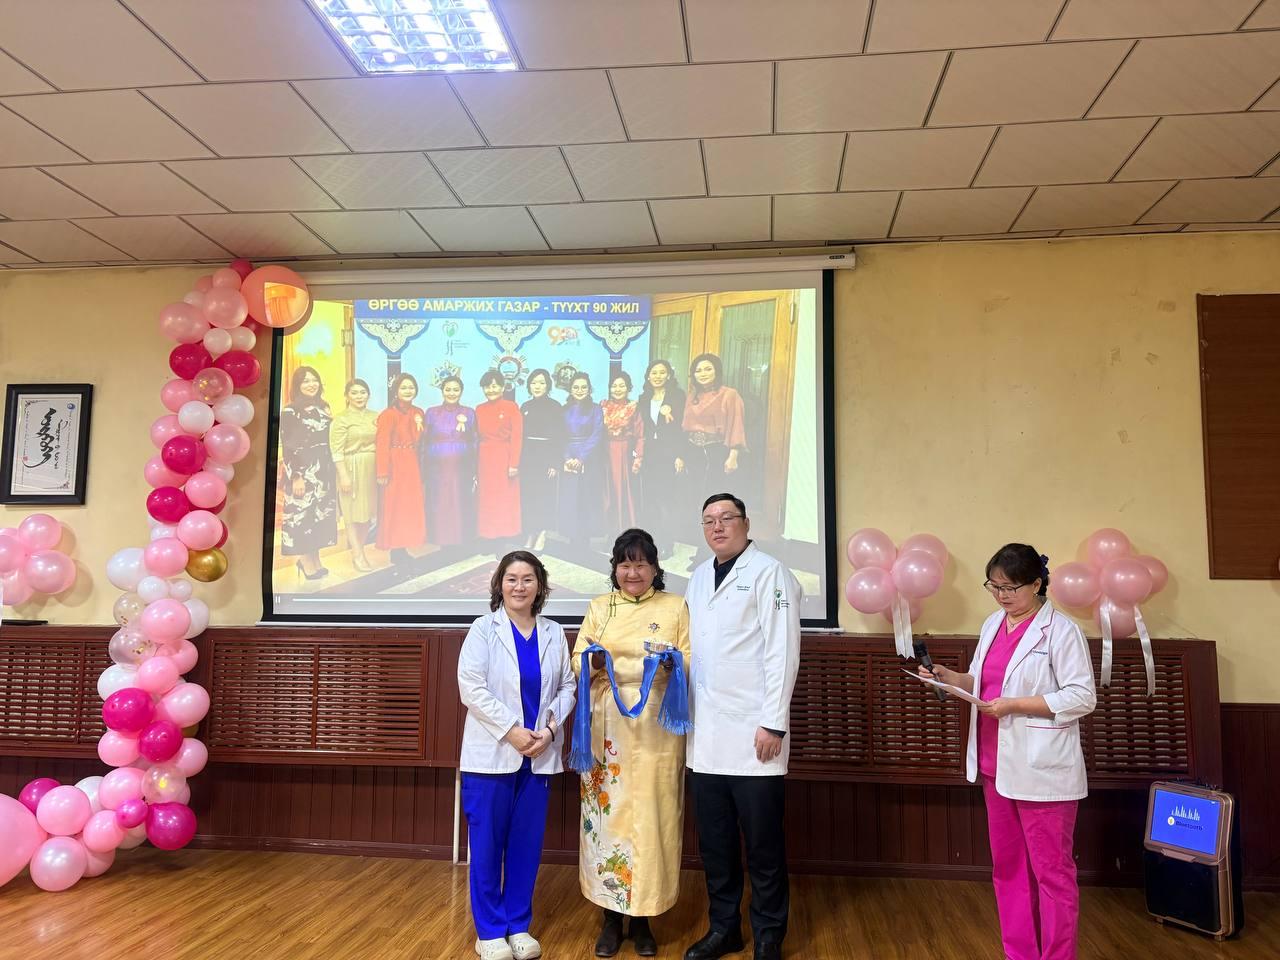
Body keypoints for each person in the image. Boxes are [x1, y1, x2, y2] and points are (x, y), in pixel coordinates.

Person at [919, 544, 1096, 960]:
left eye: (1010, 588)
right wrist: (950, 678)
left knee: (1052, 873)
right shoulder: (992, 624)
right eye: (994, 586)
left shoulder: (1061, 631)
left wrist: (1015, 705)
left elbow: (1081, 696)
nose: (1001, 596)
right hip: (995, 766)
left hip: (1043, 770)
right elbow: (982, 681)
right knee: (1009, 870)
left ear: (1036, 584)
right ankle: (1020, 954)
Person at [683, 494, 801, 960]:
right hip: (706, 736)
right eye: (708, 520)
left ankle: (769, 934)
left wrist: (773, 722)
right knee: (716, 845)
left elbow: (782, 651)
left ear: (746, 523)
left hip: (756, 735)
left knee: (764, 846)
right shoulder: (697, 577)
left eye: (726, 518)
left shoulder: (771, 573)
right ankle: (724, 928)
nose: (717, 526)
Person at [571, 529, 691, 958]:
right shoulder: (599, 607)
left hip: (657, 724)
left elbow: (690, 658)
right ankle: (609, 918)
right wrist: (592, 660)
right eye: (625, 563)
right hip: (608, 725)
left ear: (655, 568)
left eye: (641, 563)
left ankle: (643, 920)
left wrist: (671, 663)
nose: (633, 572)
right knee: (609, 818)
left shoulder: (675, 606)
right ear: (615, 569)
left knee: (654, 816)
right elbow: (577, 657)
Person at [458, 551, 576, 960]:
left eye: (528, 579)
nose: (519, 586)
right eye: (511, 579)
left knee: (526, 846)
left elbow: (568, 687)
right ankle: (490, 932)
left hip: (538, 755)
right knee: (487, 846)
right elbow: (471, 687)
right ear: (499, 584)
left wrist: (550, 731)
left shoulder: (553, 633)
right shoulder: (483, 629)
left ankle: (518, 926)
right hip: (492, 755)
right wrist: (511, 731)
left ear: (540, 586)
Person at [280, 365, 337, 580]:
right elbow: (289, 447)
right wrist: (297, 476)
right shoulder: (290, 412)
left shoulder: (324, 408)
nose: (311, 384)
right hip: (303, 471)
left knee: (319, 517)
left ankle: (315, 558)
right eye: (305, 381)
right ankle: (305, 561)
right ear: (297, 385)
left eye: (314, 380)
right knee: (301, 517)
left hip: (324, 470)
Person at [637, 359, 688, 559]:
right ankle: (651, 541)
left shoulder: (677, 397)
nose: (657, 376)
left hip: (669, 453)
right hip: (649, 453)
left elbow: (683, 428)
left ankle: (667, 542)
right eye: (654, 372)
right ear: (648, 376)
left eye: (661, 372)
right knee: (650, 499)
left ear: (668, 375)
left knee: (666, 499)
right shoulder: (643, 398)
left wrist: (680, 455)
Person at [375, 372, 427, 565]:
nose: (408, 391)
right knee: (395, 506)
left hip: (412, 462)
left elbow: (422, 440)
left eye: (411, 387)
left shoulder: (418, 412)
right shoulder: (388, 414)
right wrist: (382, 471)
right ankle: (395, 549)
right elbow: (382, 444)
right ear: (396, 391)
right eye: (403, 387)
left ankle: (405, 545)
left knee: (409, 506)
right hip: (395, 463)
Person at [681, 354, 746, 508]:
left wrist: (733, 456)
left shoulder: (730, 394)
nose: (703, 373)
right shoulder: (692, 396)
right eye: (698, 370)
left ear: (717, 371)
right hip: (692, 451)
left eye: (708, 369)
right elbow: (684, 428)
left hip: (716, 452)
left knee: (713, 496)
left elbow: (736, 425)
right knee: (691, 495)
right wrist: (682, 455)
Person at [423, 374, 476, 554]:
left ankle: (461, 540)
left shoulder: (469, 413)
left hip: (461, 466)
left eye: (456, 390)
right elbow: (425, 440)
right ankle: (441, 539)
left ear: (461, 391)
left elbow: (474, 440)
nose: (451, 393)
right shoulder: (431, 412)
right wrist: (426, 465)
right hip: (437, 467)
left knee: (460, 500)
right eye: (448, 389)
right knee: (440, 502)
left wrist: (473, 466)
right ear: (442, 391)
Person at [328, 378, 378, 572]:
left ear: (368, 395)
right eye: (354, 392)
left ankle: (359, 549)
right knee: (351, 514)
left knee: (367, 515)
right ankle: (357, 554)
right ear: (347, 396)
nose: (359, 396)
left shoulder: (375, 416)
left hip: (371, 469)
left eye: (363, 392)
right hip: (350, 468)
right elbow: (336, 450)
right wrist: (343, 475)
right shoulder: (341, 419)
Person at [476, 370, 523, 551]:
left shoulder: (511, 407)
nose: (491, 389)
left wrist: (514, 463)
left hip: (504, 456)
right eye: (487, 386)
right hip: (484, 458)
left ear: (503, 387)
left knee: (503, 499)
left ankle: (501, 541)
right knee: (486, 499)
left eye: (495, 386)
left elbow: (517, 437)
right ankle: (488, 537)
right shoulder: (479, 409)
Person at [558, 372, 605, 551]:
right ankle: (572, 536)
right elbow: (560, 435)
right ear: (570, 389)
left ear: (589, 389)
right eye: (576, 387)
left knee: (587, 497)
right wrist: (567, 457)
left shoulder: (596, 409)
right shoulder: (564, 409)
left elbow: (597, 434)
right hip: (568, 458)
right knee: (570, 498)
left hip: (589, 457)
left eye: (583, 387)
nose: (580, 390)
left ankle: (585, 537)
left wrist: (581, 457)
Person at [519, 369, 562, 550]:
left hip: (546, 457)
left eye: (542, 383)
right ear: (529, 385)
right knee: (529, 496)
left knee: (544, 496)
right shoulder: (525, 406)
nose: (537, 386)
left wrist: (554, 463)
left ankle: (543, 533)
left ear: (548, 386)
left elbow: (560, 436)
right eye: (534, 383)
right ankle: (531, 532)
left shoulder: (555, 407)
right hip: (528, 457)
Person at [600, 372, 643, 532]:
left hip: (624, 453)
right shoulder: (603, 406)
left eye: (622, 385)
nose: (617, 389)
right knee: (607, 492)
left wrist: (638, 457)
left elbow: (640, 435)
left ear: (628, 388)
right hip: (605, 452)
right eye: (614, 386)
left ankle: (625, 530)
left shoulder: (633, 407)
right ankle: (609, 530)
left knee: (624, 492)